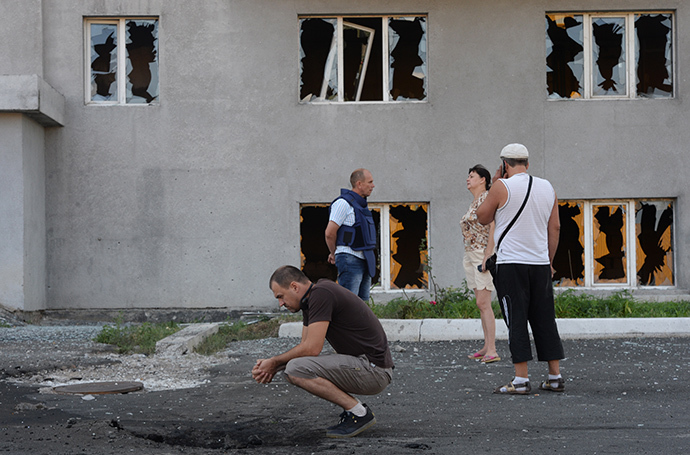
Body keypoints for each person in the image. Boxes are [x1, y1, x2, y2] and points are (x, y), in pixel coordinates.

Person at [252, 265, 394, 438]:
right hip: (365, 366)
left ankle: (359, 413)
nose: (281, 304)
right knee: (293, 368)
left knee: (296, 369)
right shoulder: (309, 301)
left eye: (280, 296)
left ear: (295, 287)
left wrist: (274, 362)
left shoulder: (322, 293)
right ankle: (355, 411)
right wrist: (273, 367)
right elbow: (304, 347)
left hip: (374, 370)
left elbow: (312, 348)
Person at [476, 143, 565, 395]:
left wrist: (493, 183)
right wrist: (548, 260)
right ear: (527, 163)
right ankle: (554, 376)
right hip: (539, 263)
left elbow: (482, 217)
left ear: (504, 164)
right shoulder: (547, 187)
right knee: (545, 318)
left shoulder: (501, 186)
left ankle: (521, 379)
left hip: (511, 264)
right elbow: (555, 228)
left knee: (516, 318)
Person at [460, 165, 499, 364]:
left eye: (472, 176)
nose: (468, 179)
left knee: (484, 303)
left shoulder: (487, 198)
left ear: (483, 179)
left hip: (481, 253)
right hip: (470, 254)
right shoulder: (475, 201)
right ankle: (486, 345)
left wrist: (488, 254)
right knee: (479, 303)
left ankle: (492, 349)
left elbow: (493, 225)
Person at [325, 169, 377, 301]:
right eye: (370, 182)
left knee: (362, 305)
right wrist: (333, 253)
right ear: (359, 184)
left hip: (364, 258)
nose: (373, 185)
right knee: (348, 304)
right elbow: (330, 233)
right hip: (349, 257)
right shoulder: (343, 203)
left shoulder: (361, 205)